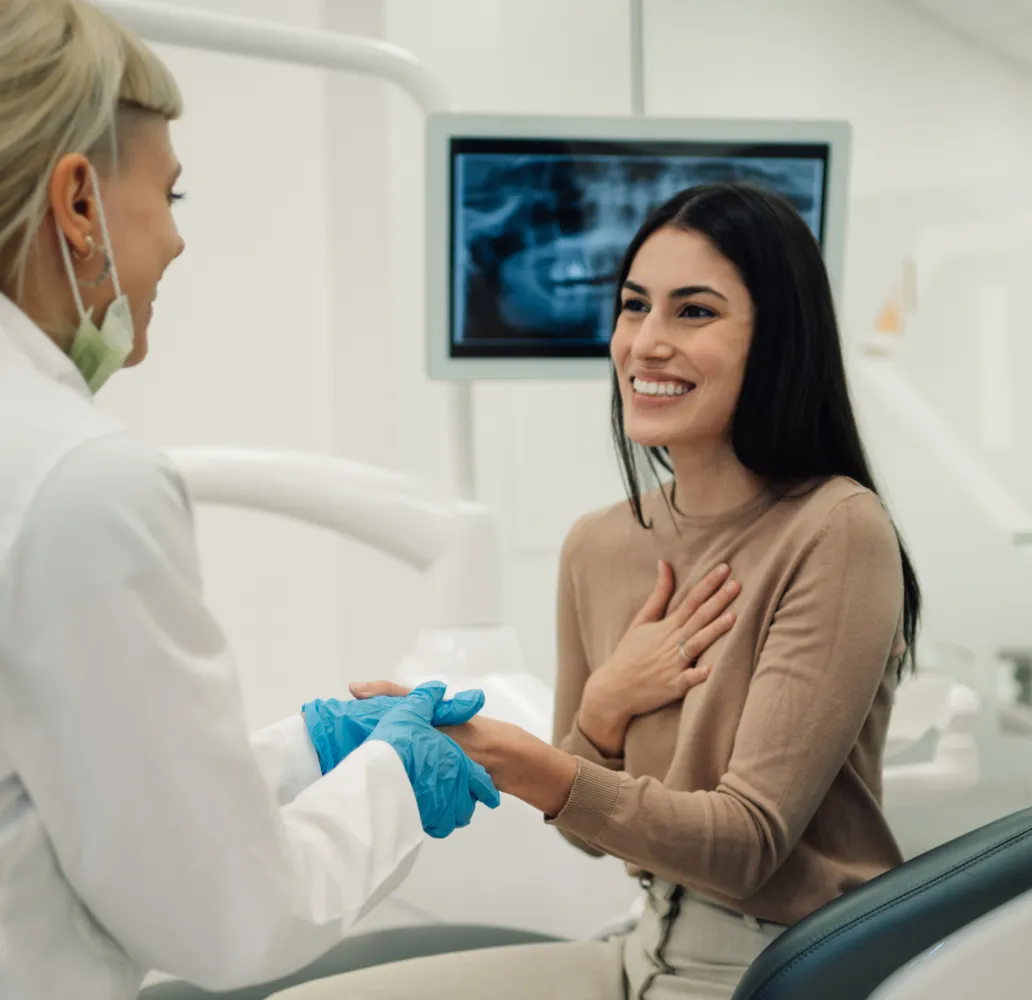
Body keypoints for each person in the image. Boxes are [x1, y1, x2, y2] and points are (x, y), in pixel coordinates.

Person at [281, 181, 922, 1000]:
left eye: (694, 312)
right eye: (633, 307)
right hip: (645, 945)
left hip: (782, 972)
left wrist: (519, 758)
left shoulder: (834, 529)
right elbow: (590, 835)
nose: (646, 343)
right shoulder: (599, 545)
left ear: (778, 341)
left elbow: (745, 846)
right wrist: (603, 709)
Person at [0, 3, 504, 998]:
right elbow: (229, 916)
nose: (180, 244)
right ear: (78, 203)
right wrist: (397, 778)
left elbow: (74, 797)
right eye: (170, 194)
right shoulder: (77, 481)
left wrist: (308, 748)